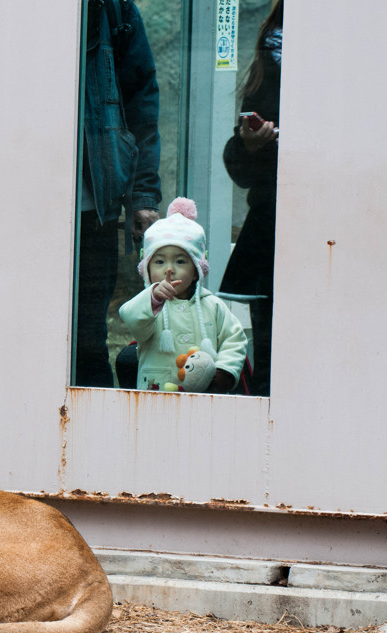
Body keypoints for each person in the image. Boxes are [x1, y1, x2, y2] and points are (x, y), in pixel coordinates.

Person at [74, 0, 161, 387]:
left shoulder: (115, 12)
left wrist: (143, 197)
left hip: (94, 209)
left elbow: (141, 104)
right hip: (26, 205)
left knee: (89, 340)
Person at [118, 198, 247, 393]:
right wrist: (153, 297)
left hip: (204, 398)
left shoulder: (212, 306)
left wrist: (224, 373)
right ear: (147, 268)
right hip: (156, 396)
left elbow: (235, 339)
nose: (169, 269)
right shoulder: (149, 304)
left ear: (197, 269)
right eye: (159, 262)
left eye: (180, 261)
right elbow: (131, 317)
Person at [220, 0, 283, 396]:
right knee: (271, 366)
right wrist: (250, 145)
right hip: (272, 226)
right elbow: (244, 174)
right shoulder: (271, 53)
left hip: (324, 225)